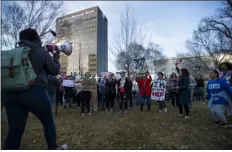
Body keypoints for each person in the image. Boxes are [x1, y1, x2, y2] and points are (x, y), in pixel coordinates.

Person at [3, 28, 67, 149]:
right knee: (48, 123)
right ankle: (53, 148)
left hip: (11, 93)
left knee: (15, 131)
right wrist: (55, 56)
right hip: (34, 91)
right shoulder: (40, 51)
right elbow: (54, 70)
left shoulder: (14, 52)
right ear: (36, 38)